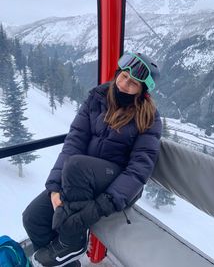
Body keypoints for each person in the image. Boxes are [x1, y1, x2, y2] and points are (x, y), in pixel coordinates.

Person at [23, 52, 162, 267]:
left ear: (142, 92)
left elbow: (139, 168)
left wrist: (103, 204)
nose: (125, 84)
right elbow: (74, 141)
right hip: (78, 176)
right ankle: (67, 263)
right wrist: (54, 187)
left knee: (77, 166)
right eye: (124, 76)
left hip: (115, 183)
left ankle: (73, 242)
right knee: (33, 218)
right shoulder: (97, 98)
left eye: (133, 83)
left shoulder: (148, 118)